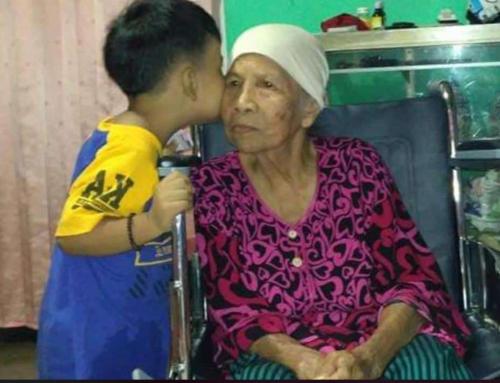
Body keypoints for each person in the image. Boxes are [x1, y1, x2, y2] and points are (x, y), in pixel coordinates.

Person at [191, 24, 472, 380]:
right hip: (274, 350)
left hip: (379, 334)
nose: (241, 102)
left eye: (267, 85)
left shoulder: (357, 165)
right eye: (233, 83)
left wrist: (371, 357)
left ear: (308, 108)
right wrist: (304, 361)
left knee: (425, 368)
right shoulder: (212, 187)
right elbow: (234, 308)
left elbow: (414, 279)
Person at [37, 0, 223, 379]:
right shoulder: (131, 147)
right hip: (95, 343)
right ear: (190, 80)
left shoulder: (142, 142)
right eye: (218, 67)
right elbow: (74, 234)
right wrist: (152, 220)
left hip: (121, 329)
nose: (224, 80)